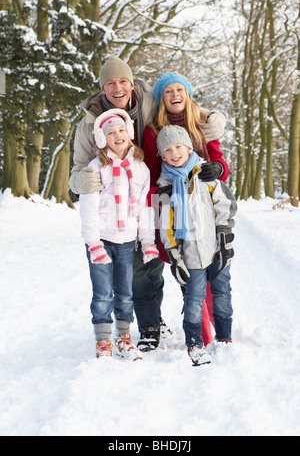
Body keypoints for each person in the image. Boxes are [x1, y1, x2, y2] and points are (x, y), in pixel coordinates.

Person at [69, 56, 226, 351]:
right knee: (141, 271)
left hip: (158, 194)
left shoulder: (150, 101)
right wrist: (82, 183)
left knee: (172, 262)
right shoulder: (89, 124)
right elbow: (77, 171)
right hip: (121, 208)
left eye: (123, 81)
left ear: (131, 82)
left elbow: (180, 103)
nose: (118, 88)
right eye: (110, 83)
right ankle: (150, 325)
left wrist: (213, 120)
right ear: (102, 88)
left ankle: (209, 324)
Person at [143, 71, 231, 346]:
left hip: (204, 206)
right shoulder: (153, 131)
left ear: (188, 94)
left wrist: (219, 168)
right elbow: (151, 174)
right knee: (190, 280)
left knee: (215, 277)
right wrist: (160, 194)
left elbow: (219, 164)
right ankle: (201, 336)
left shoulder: (202, 124)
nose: (175, 95)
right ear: (161, 99)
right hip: (175, 211)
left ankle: (223, 332)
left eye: (179, 89)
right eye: (168, 91)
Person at [79, 108, 159, 360]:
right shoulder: (96, 167)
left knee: (125, 292)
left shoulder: (140, 168)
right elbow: (88, 210)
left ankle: (124, 336)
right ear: (103, 139)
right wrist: (93, 243)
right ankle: (103, 340)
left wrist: (147, 242)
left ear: (129, 133)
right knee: (103, 292)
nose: (117, 135)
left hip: (126, 240)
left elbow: (145, 209)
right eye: (110, 132)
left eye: (121, 130)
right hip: (101, 240)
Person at [156, 125, 236, 366]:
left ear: (189, 148)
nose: (174, 153)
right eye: (167, 150)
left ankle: (224, 337)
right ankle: (194, 342)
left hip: (215, 248)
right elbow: (165, 226)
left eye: (178, 146)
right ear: (162, 156)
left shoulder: (206, 176)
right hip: (190, 255)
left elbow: (225, 207)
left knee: (222, 292)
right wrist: (174, 255)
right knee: (193, 298)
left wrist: (224, 240)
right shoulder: (164, 188)